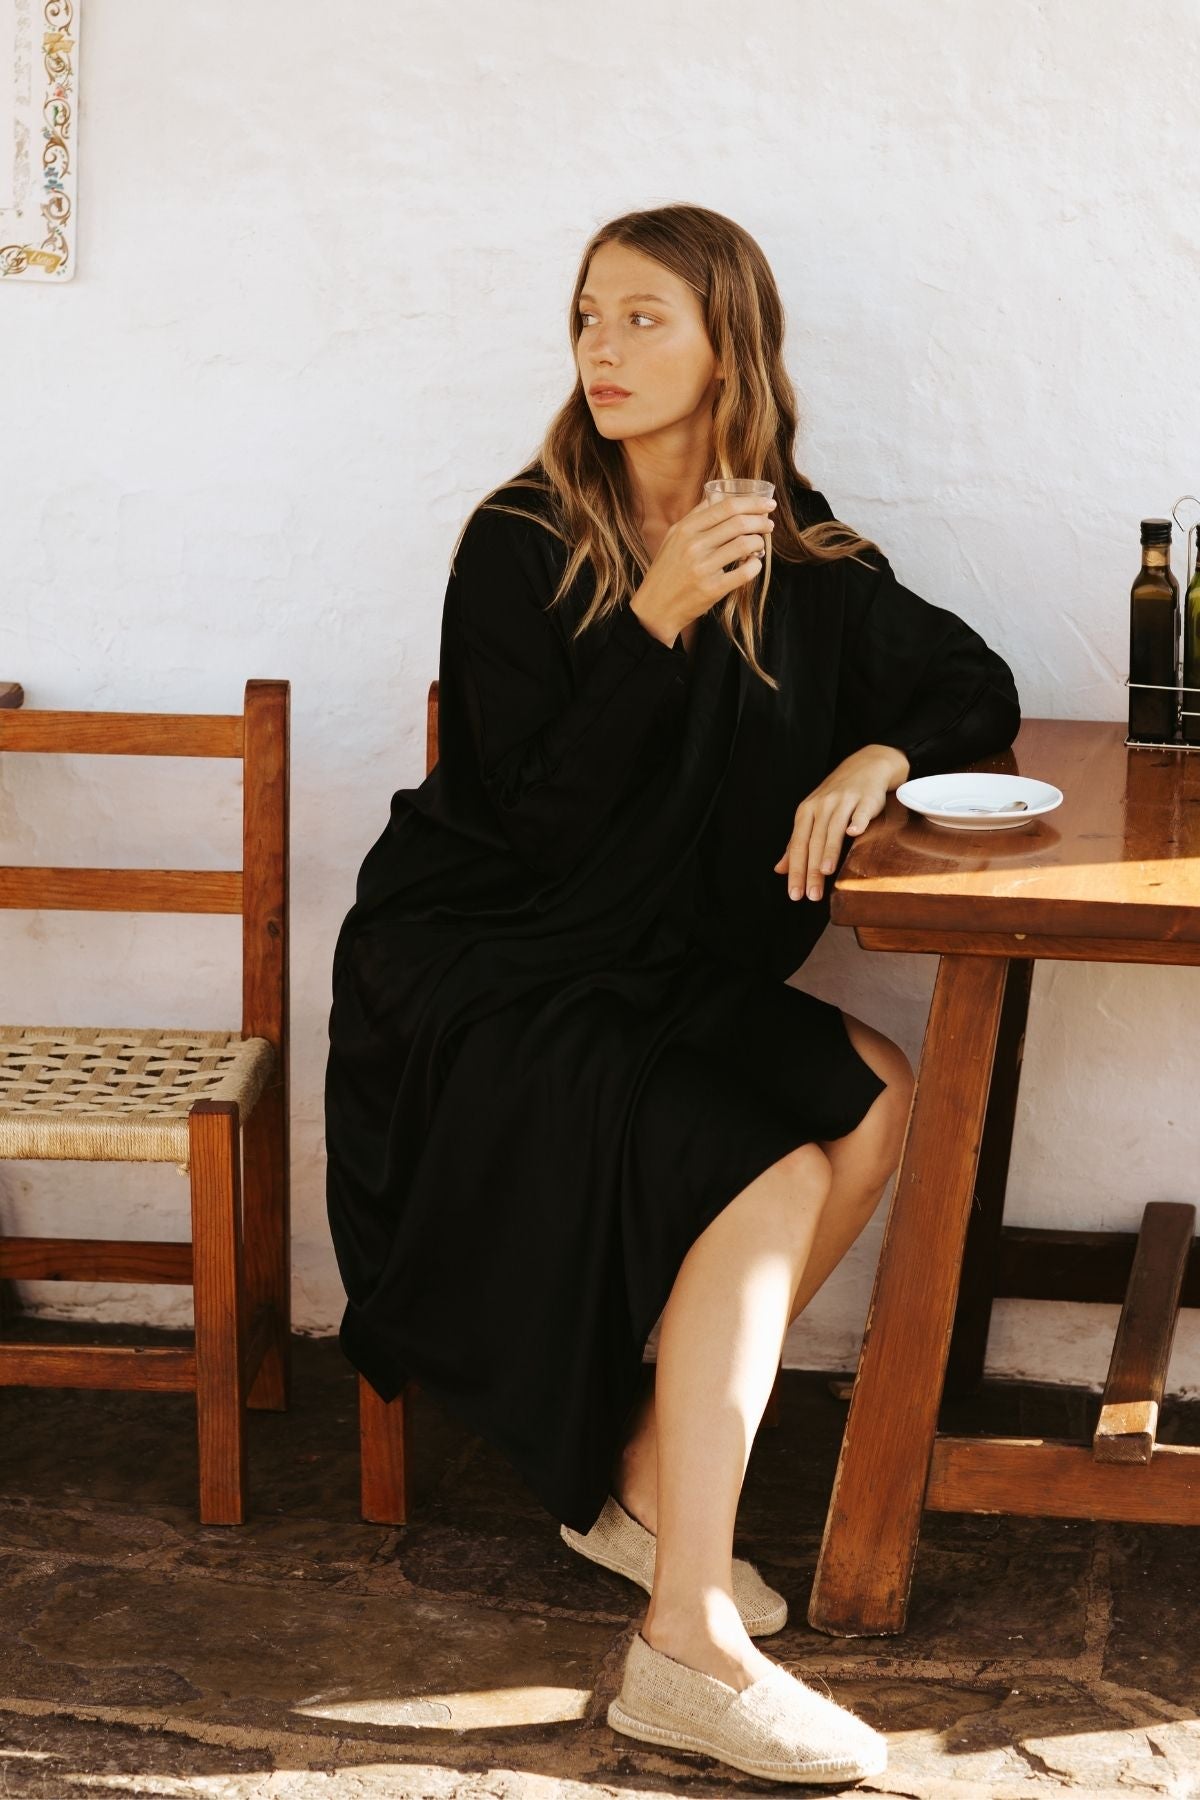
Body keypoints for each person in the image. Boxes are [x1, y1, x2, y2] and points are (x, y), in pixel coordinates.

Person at [324, 202, 1020, 1785]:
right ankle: (688, 1641)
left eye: (643, 318)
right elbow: (535, 825)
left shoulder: (795, 542)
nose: (603, 350)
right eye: (587, 318)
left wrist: (879, 750)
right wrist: (650, 622)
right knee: (763, 1155)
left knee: (875, 1091)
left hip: (638, 969)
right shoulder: (522, 540)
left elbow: (968, 679)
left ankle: (643, 1487)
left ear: (729, 346)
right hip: (477, 971)